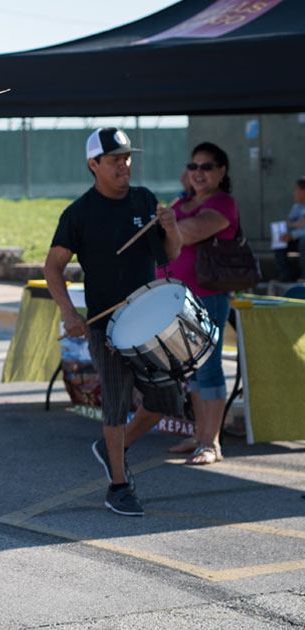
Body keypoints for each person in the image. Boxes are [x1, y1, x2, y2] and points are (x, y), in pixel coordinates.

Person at [43, 127, 182, 517]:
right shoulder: (79, 213)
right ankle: (119, 486)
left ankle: (110, 450)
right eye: (116, 158)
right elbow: (53, 266)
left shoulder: (144, 199)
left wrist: (173, 230)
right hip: (108, 327)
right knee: (116, 408)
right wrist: (69, 313)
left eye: (127, 157)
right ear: (94, 164)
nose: (125, 164)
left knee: (164, 401)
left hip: (150, 320)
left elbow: (168, 255)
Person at [158, 143, 238, 465]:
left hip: (209, 295)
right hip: (178, 296)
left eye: (207, 167)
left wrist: (168, 224)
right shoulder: (182, 201)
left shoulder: (223, 203)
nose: (198, 172)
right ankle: (198, 435)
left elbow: (188, 233)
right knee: (192, 368)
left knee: (209, 366)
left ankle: (211, 442)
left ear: (222, 171)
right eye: (194, 166)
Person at [273, 177, 305, 282]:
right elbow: (288, 224)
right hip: (296, 240)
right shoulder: (296, 207)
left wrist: (293, 233)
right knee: (279, 239)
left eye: (297, 190)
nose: (294, 193)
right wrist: (289, 233)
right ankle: (286, 276)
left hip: (302, 241)